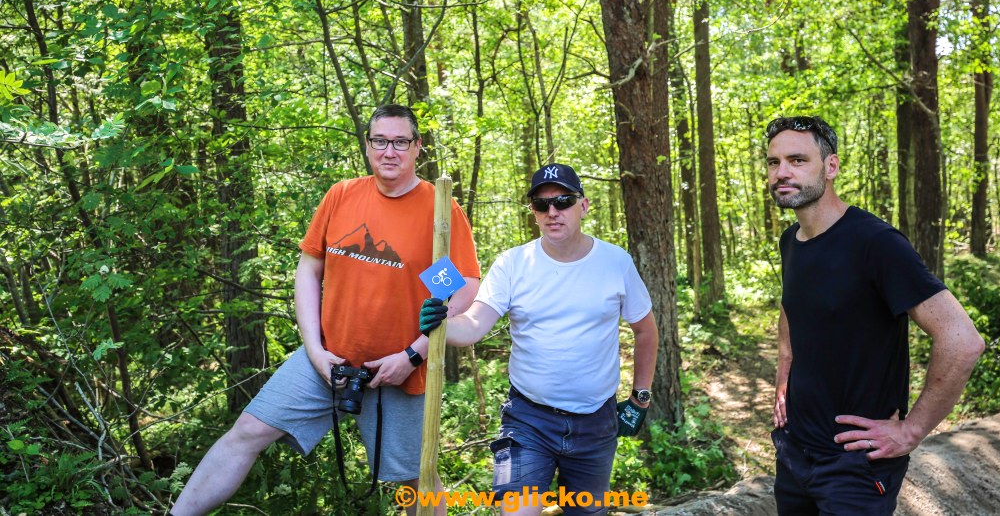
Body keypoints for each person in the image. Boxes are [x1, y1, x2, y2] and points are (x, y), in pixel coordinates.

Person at [171, 104, 481, 516]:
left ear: (417, 148)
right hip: (328, 359)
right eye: (380, 141)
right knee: (246, 431)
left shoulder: (437, 209)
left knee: (414, 479)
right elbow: (309, 269)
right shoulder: (342, 195)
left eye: (401, 142)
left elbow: (460, 291)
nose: (390, 151)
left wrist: (413, 354)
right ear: (368, 146)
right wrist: (315, 350)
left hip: (398, 371)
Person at [765, 115, 985, 515]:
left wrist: (912, 430)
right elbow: (791, 304)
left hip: (856, 465)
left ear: (830, 167)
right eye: (773, 162)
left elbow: (963, 340)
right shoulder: (791, 241)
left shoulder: (876, 243)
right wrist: (784, 373)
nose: (782, 172)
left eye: (797, 160)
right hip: (795, 453)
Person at [419, 163, 658, 516]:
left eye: (563, 201)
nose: (553, 212)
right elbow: (474, 325)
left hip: (596, 422)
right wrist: (440, 325)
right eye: (541, 205)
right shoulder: (513, 264)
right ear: (533, 212)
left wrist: (640, 398)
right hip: (528, 420)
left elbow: (646, 331)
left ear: (584, 205)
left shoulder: (615, 263)